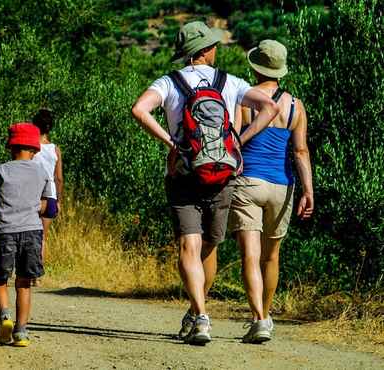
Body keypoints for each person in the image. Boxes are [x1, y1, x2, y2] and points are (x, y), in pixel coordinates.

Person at [131, 21, 280, 345]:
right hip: (223, 175)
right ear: (207, 50)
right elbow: (270, 106)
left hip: (185, 172)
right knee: (209, 245)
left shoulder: (169, 82)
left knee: (190, 244)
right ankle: (197, 310)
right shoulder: (229, 82)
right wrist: (239, 140)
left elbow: (139, 110)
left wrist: (171, 143)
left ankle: (200, 316)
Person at [229, 40, 314, 343]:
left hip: (248, 181)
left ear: (254, 67)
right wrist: (308, 192)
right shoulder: (296, 105)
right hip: (283, 185)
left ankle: (259, 320)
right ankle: (265, 315)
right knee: (271, 256)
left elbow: (235, 140)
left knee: (250, 256)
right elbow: (301, 152)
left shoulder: (244, 100)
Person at [0, 123, 53, 347]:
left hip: (5, 232)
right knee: (24, 283)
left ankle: (5, 317)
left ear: (11, 148)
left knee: (0, 279)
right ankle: (21, 331)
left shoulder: (0, 170)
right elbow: (47, 204)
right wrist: (31, 207)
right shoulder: (42, 172)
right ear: (34, 149)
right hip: (32, 231)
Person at [31, 108, 64, 260]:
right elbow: (59, 178)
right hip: (50, 195)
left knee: (30, 236)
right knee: (43, 238)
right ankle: (37, 275)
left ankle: (27, 271)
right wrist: (59, 200)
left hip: (33, 196)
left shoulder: (31, 148)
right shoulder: (55, 149)